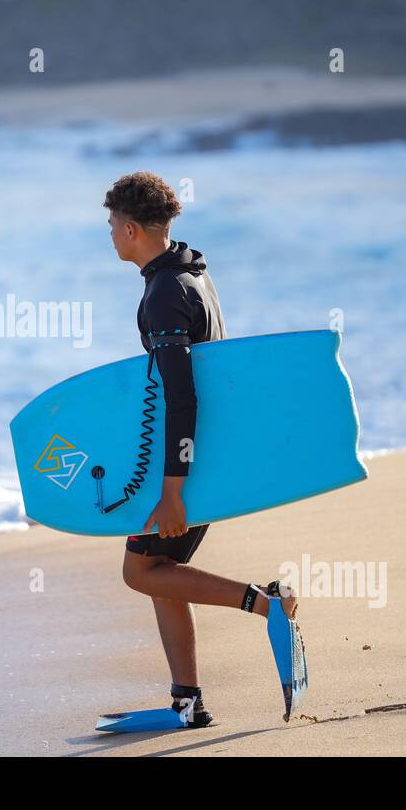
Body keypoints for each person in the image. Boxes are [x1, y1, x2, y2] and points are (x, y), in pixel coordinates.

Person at [105, 170, 298, 728]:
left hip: (190, 461)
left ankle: (266, 603)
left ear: (134, 228)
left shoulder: (165, 293)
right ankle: (187, 700)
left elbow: (183, 396)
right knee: (162, 568)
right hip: (205, 453)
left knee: (140, 572)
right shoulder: (191, 272)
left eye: (114, 224)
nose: (111, 233)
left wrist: (173, 490)